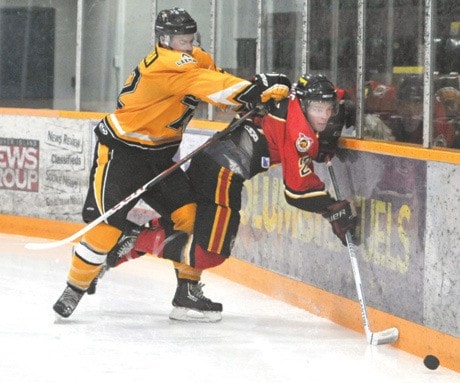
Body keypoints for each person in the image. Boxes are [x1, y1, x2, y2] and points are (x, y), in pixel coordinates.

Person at [53, 7, 290, 320]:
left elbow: (214, 80)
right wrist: (253, 91)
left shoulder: (194, 58)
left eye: (190, 38)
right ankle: (75, 288)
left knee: (191, 217)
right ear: (164, 39)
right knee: (107, 227)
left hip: (160, 154)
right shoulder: (164, 65)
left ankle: (187, 293)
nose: (187, 44)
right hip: (122, 154)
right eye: (181, 39)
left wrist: (250, 90)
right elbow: (209, 87)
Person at [108, 74, 358, 322]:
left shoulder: (296, 97)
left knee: (194, 227)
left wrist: (343, 106)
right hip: (223, 175)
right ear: (303, 105)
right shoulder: (298, 131)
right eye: (317, 109)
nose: (324, 116)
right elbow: (298, 191)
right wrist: (331, 208)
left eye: (328, 109)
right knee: (210, 253)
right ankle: (135, 239)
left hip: (209, 162)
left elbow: (331, 95)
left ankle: (185, 291)